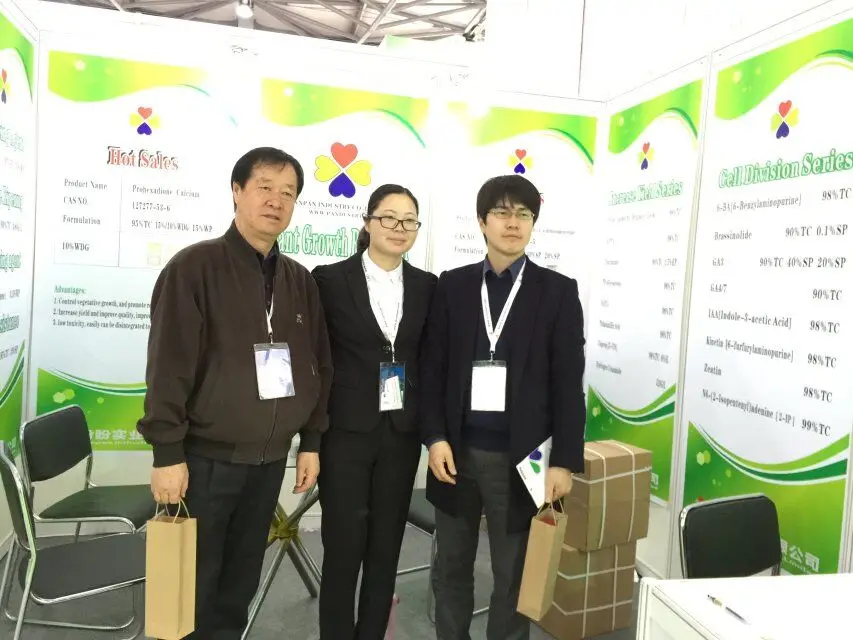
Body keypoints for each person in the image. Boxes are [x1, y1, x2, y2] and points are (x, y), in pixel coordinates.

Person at [137, 147, 333, 639]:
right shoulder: (194, 268)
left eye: (288, 192)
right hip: (204, 462)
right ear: (237, 191)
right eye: (264, 187)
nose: (276, 201)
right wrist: (167, 453)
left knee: (239, 582)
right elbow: (168, 367)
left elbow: (319, 365)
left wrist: (311, 441)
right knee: (190, 586)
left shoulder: (299, 280)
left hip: (268, 463)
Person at [419, 174, 586, 640]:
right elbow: (432, 371)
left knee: (513, 576)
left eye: (523, 214)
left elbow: (568, 384)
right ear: (482, 222)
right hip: (456, 454)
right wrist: (434, 438)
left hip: (523, 459)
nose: (513, 223)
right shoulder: (452, 287)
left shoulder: (557, 291)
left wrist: (564, 461)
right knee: (451, 568)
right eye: (502, 213)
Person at [312, 184, 437, 640]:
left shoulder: (427, 286)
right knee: (343, 549)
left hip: (401, 433)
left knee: (386, 549)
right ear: (367, 222)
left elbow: (430, 360)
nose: (398, 228)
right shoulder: (328, 280)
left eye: (409, 220)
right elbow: (317, 359)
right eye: (388, 217)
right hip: (345, 432)